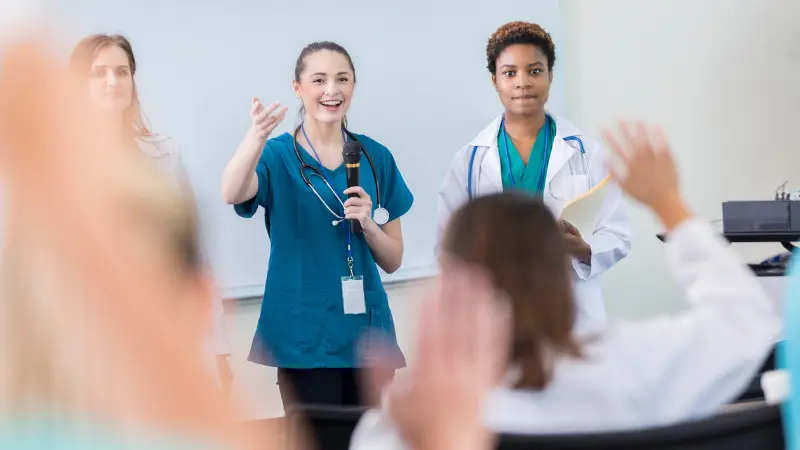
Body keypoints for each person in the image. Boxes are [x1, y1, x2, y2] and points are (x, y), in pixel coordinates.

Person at [351, 121, 780, 448]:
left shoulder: (415, 413)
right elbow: (748, 321)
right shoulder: (630, 363)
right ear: (558, 272)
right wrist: (667, 203)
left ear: (458, 282)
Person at [221, 41, 414, 409]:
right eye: (319, 79)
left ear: (353, 86)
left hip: (367, 338)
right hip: (302, 334)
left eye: (343, 79)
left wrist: (369, 227)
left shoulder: (375, 157)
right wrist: (256, 137)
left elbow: (394, 259)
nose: (332, 90)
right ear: (298, 88)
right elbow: (231, 191)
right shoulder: (276, 155)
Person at [437, 21, 631, 331]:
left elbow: (618, 235)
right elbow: (447, 242)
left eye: (535, 71)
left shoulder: (585, 153)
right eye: (510, 73)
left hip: (570, 308)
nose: (522, 82)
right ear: (495, 81)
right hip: (496, 310)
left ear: (550, 76)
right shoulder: (470, 161)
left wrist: (580, 248)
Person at [68, 34, 233, 393]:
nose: (113, 82)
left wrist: (217, 349)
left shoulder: (164, 154)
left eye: (121, 71)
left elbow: (196, 260)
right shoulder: (60, 164)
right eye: (98, 73)